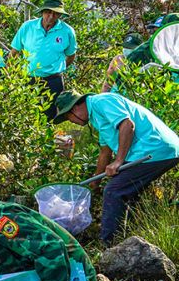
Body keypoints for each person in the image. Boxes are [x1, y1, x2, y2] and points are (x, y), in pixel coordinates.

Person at [53, 90, 179, 244]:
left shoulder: (101, 101)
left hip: (153, 149)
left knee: (114, 191)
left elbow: (127, 125)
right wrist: (95, 183)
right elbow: (105, 153)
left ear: (75, 108)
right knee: (126, 193)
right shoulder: (96, 118)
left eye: (68, 116)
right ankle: (129, 242)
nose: (71, 121)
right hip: (147, 152)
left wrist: (119, 161)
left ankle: (109, 247)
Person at [10, 0, 77, 120]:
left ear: (60, 15)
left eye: (56, 13)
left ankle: (48, 138)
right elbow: (14, 52)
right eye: (48, 12)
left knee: (49, 116)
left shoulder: (67, 31)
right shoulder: (27, 27)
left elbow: (71, 55)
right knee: (25, 114)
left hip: (53, 81)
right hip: (29, 78)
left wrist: (58, 69)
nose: (51, 16)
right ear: (42, 11)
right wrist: (10, 75)